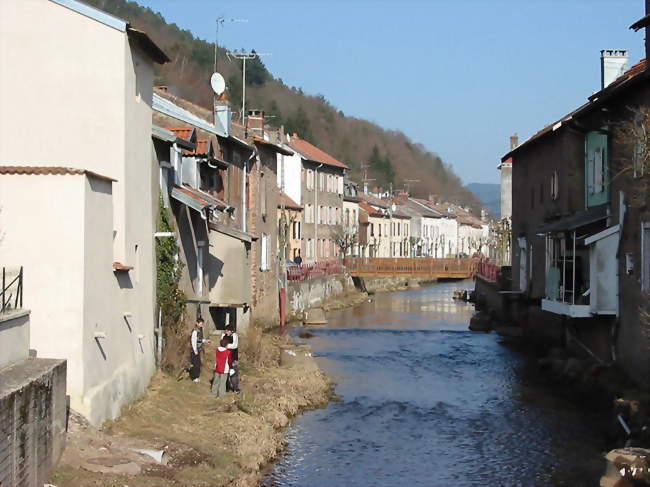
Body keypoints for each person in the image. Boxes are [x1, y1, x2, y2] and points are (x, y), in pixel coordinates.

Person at [221, 324, 240, 393]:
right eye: (226, 330)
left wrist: (226, 345)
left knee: (234, 374)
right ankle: (226, 387)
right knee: (225, 373)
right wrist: (225, 345)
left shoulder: (235, 336)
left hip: (233, 358)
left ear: (232, 331)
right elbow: (221, 344)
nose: (226, 331)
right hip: (225, 357)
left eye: (228, 330)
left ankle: (236, 389)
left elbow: (234, 345)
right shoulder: (223, 335)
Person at [189, 318, 206, 382]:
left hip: (198, 349)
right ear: (197, 323)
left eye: (202, 323)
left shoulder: (199, 330)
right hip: (195, 350)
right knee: (195, 364)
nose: (202, 325)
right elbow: (193, 340)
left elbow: (199, 340)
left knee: (198, 363)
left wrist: (205, 341)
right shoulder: (195, 331)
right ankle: (194, 377)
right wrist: (195, 349)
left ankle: (196, 376)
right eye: (201, 323)